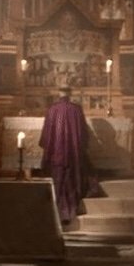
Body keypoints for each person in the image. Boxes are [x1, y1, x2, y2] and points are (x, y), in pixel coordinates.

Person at [39, 85, 92, 224]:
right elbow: (83, 133)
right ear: (70, 94)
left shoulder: (52, 109)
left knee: (58, 179)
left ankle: (59, 209)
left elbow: (47, 133)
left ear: (59, 94)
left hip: (57, 153)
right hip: (72, 153)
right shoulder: (76, 109)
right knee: (72, 177)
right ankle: (69, 208)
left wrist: (48, 146)